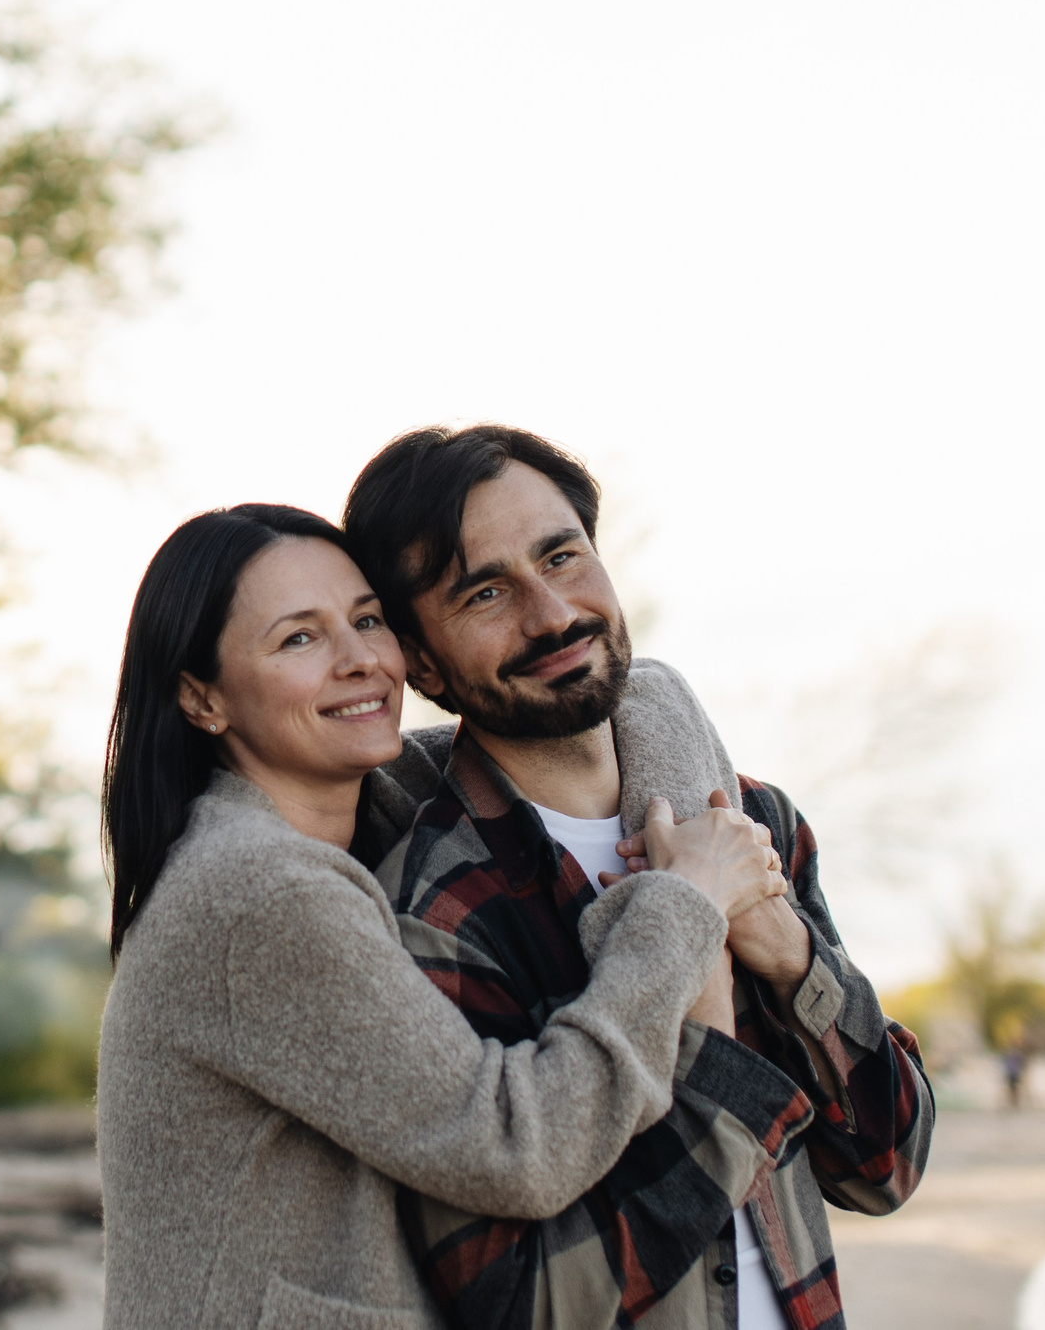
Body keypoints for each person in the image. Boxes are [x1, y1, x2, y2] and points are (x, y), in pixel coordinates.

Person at [95, 504, 790, 1329]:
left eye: (367, 621)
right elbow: (517, 1148)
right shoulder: (260, 889)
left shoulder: (357, 810)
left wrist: (660, 776)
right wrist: (686, 906)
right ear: (201, 699)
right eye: (299, 639)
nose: (360, 662)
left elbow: (635, 696)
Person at [342, 426, 936, 1330]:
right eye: (487, 592)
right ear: (421, 663)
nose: (552, 614)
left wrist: (782, 951)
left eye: (563, 556)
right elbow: (528, 1303)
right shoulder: (432, 913)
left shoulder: (750, 820)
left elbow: (885, 1167)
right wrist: (691, 961)